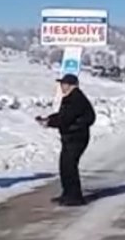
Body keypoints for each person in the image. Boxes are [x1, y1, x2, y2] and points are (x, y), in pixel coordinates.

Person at [36, 73, 96, 206]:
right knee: (65, 166)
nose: (62, 86)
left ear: (71, 85)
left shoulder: (76, 99)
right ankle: (68, 193)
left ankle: (74, 197)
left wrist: (49, 123)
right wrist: (49, 119)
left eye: (63, 84)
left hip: (76, 138)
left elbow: (66, 118)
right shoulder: (71, 98)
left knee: (69, 166)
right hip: (71, 137)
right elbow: (63, 115)